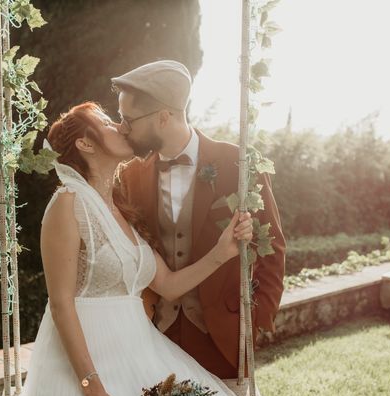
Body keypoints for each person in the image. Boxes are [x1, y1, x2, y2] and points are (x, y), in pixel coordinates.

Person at [15, 101, 276, 396]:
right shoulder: (67, 205)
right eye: (106, 122)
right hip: (83, 372)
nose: (120, 126)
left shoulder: (117, 206)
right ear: (86, 145)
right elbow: (60, 304)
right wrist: (93, 388)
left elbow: (168, 285)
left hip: (138, 354)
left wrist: (223, 252)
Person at [112, 60, 286, 379]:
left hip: (220, 337)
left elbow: (271, 246)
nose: (121, 128)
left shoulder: (239, 163)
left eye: (128, 119)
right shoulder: (131, 175)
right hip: (154, 334)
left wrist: (258, 321)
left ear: (164, 117)